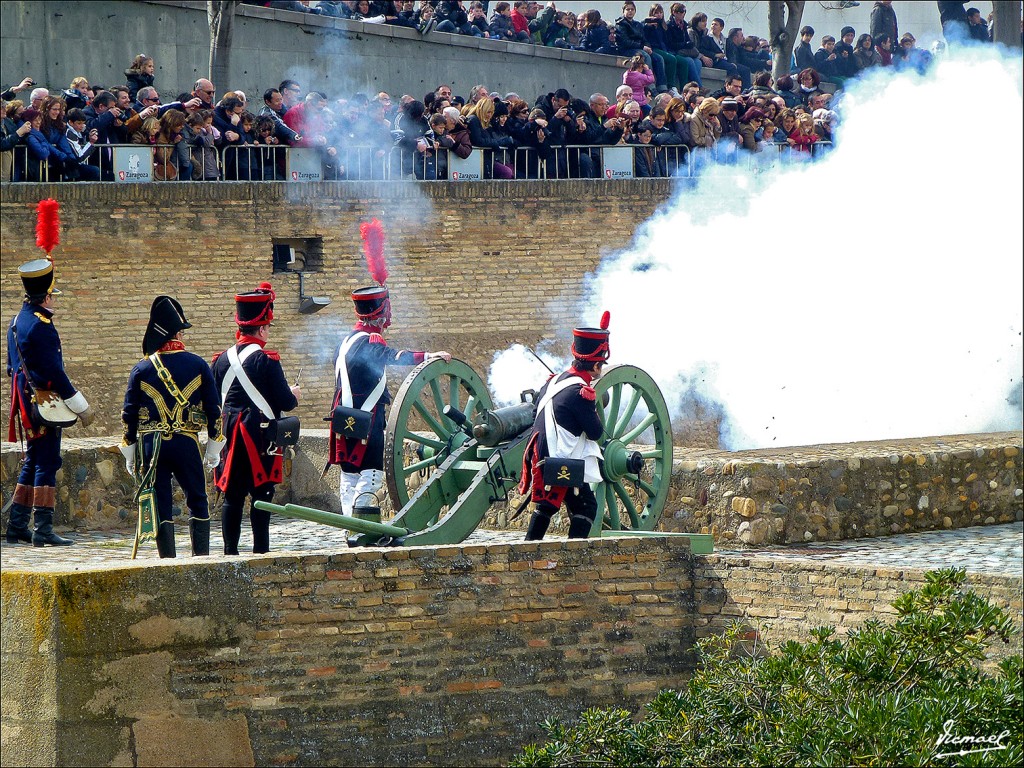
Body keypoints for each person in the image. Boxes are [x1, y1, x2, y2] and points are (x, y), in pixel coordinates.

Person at [330, 221, 451, 519]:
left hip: (343, 416)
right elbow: (393, 355)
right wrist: (428, 355)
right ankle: (362, 527)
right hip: (367, 420)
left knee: (349, 477)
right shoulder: (370, 341)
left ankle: (351, 525)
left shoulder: (346, 340)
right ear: (381, 312)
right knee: (369, 475)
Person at [6, 240, 95, 546]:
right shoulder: (42, 326)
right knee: (47, 462)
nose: (54, 300)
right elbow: (56, 372)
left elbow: (10, 368)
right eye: (52, 295)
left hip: (24, 399)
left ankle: (17, 523)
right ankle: (43, 528)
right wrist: (80, 405)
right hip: (43, 400)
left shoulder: (16, 322)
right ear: (45, 296)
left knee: (33, 459)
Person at [120, 297, 223, 558]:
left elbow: (129, 414)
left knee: (160, 502)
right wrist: (213, 447)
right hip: (186, 443)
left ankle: (167, 559)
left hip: (152, 446)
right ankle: (201, 558)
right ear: (176, 333)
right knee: (197, 499)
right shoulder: (198, 364)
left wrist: (129, 450)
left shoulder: (141, 368)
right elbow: (214, 410)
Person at [211, 283, 300, 556]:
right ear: (261, 328)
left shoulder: (219, 360)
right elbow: (287, 402)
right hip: (257, 437)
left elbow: (217, 399)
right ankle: (261, 552)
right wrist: (294, 393)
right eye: (268, 328)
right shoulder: (267, 360)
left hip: (228, 436)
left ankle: (230, 552)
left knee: (233, 496)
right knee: (262, 495)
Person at [519, 313, 611, 541]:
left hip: (540, 454)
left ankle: (528, 551)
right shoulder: (581, 393)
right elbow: (596, 433)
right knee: (586, 507)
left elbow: (535, 412)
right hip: (560, 457)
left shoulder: (553, 380)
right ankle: (572, 560)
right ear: (597, 365)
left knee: (547, 506)